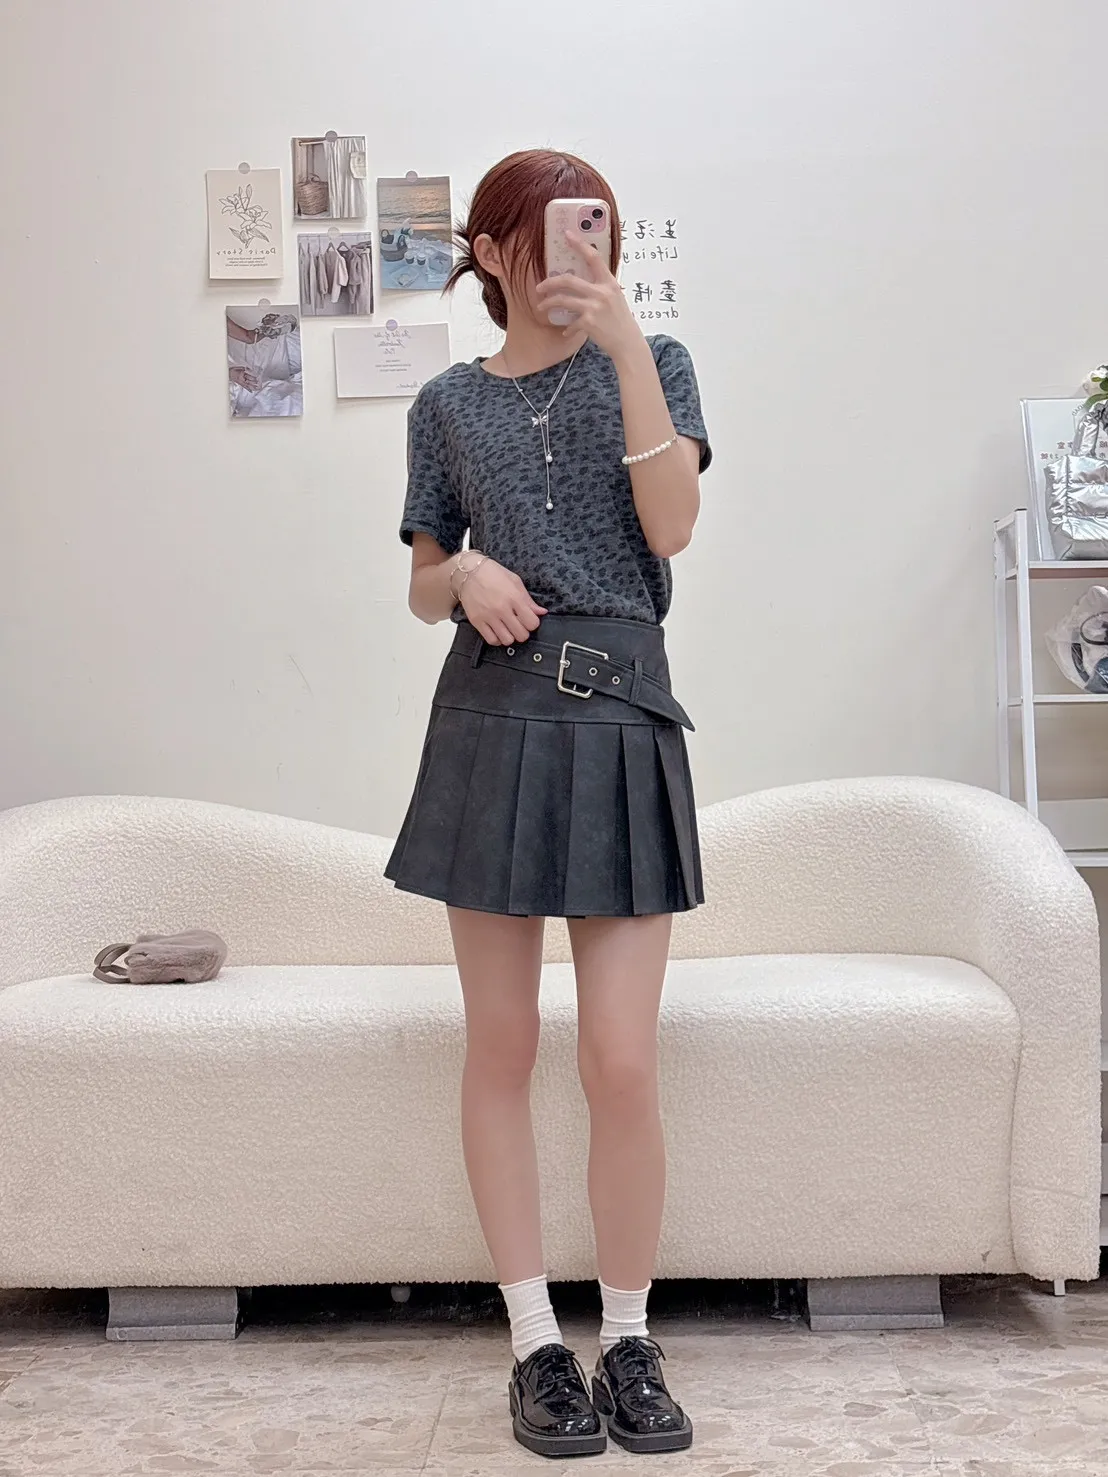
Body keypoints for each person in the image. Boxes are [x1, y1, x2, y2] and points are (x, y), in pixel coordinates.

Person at [385, 149, 711, 1460]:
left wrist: (625, 343)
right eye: (560, 230)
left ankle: (628, 1337)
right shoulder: (446, 405)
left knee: (621, 1059)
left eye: (601, 229)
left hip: (622, 715)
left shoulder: (658, 360)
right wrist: (460, 572)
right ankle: (534, 1346)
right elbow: (421, 585)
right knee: (503, 1048)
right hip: (491, 721)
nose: (585, 249)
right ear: (492, 248)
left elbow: (672, 527)